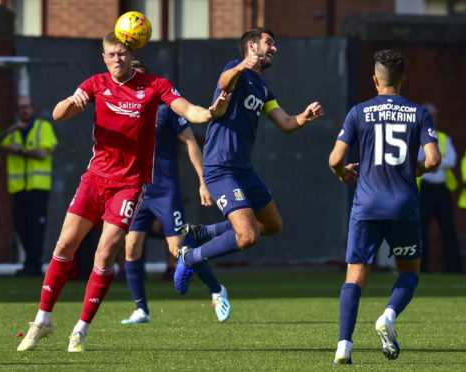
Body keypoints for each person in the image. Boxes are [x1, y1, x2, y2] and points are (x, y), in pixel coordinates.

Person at [17, 31, 230, 353]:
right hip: (94, 178)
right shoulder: (95, 83)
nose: (117, 59)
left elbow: (188, 110)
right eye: (111, 54)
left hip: (130, 184)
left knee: (106, 253)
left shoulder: (155, 85)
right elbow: (59, 114)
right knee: (64, 244)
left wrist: (210, 112)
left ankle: (81, 329)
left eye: (122, 53)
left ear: (133, 54)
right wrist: (71, 103)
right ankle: (43, 320)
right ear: (104, 57)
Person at [173, 28, 324, 293]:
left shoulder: (263, 89)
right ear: (252, 46)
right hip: (220, 169)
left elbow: (286, 123)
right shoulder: (236, 70)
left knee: (272, 225)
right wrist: (242, 65)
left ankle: (204, 233)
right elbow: (223, 82)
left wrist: (304, 117)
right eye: (269, 43)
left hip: (243, 170)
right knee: (248, 236)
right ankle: (189, 258)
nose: (274, 49)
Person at [328, 49, 441, 364]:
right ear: (403, 79)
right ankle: (389, 316)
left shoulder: (358, 112)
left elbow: (335, 160)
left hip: (366, 205)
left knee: (354, 277)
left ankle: (344, 347)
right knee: (409, 273)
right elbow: (433, 160)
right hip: (403, 205)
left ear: (375, 79)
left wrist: (344, 173)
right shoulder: (419, 113)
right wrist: (416, 169)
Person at [122, 60, 231, 324]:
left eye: (140, 80)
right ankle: (141, 310)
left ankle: (217, 290)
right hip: (136, 190)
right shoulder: (123, 109)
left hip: (165, 190)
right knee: (131, 247)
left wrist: (203, 181)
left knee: (177, 249)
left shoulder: (167, 109)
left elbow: (190, 143)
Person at [0, 96, 58, 276]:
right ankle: (29, 263)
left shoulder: (43, 127)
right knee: (20, 226)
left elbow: (41, 154)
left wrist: (18, 150)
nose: (24, 110)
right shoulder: (14, 131)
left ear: (33, 107)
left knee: (36, 228)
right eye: (20, 108)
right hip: (18, 187)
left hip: (37, 187)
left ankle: (34, 265)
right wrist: (11, 129)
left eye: (27, 107)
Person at [417, 103, 461, 273]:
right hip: (424, 190)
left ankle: (454, 268)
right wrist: (435, 160)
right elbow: (416, 158)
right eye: (429, 114)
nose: (432, 118)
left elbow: (451, 160)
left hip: (441, 189)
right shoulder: (415, 136)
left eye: (434, 115)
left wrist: (433, 162)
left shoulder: (443, 138)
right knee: (421, 230)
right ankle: (422, 267)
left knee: (448, 228)